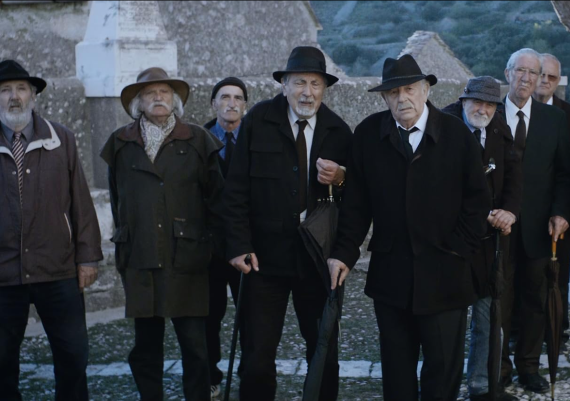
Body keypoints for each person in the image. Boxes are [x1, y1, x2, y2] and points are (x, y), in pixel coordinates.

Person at [327, 54, 490, 400]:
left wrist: (457, 249)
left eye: (410, 89)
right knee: (397, 372)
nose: (402, 98)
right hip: (392, 277)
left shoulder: (457, 134)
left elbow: (477, 202)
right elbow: (356, 205)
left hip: (447, 277)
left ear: (426, 89)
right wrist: (343, 253)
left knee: (442, 373)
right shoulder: (368, 134)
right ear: (385, 98)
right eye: (393, 92)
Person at [223, 46, 352, 401]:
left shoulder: (339, 131)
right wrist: (238, 245)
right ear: (284, 85)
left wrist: (341, 177)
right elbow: (235, 189)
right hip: (262, 261)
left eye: (315, 84)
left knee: (324, 352)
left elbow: (357, 200)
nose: (307, 92)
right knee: (256, 357)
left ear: (324, 89)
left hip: (317, 260)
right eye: (299, 83)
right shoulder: (257, 121)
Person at [0, 59, 103, 401]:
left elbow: (80, 200)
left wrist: (87, 256)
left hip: (57, 267)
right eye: (5, 90)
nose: (14, 97)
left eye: (21, 89)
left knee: (73, 356)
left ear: (33, 95)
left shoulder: (62, 139)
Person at [101, 66, 224, 401]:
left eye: (164, 92)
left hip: (188, 256)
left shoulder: (198, 140)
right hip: (140, 255)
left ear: (174, 100)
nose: (158, 97)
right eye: (150, 93)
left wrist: (212, 247)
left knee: (195, 346)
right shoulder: (120, 142)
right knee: (146, 346)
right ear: (138, 103)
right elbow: (117, 199)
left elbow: (217, 200)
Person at [497, 48, 570, 394]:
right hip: (498, 229)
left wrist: (560, 212)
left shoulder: (554, 119)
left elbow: (564, 175)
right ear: (508, 73)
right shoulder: (489, 113)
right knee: (499, 301)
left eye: (534, 72)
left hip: (540, 228)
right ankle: (498, 370)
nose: (527, 78)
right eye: (521, 71)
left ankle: (529, 367)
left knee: (535, 302)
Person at [442, 76, 522, 401]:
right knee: (449, 321)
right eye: (477, 102)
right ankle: (442, 388)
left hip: (491, 242)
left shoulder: (499, 127)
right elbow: (437, 187)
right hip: (452, 242)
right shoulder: (443, 128)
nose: (483, 109)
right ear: (463, 101)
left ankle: (482, 387)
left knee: (488, 316)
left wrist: (510, 212)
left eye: (490, 104)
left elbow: (515, 174)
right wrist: (481, 213)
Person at [533, 52, 570, 329]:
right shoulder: (512, 110)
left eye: (552, 77)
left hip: (560, 207)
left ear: (558, 81)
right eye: (541, 74)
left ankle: (558, 328)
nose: (545, 80)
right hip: (525, 207)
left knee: (559, 271)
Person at [202, 76, 248, 396]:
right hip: (211, 247)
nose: (231, 103)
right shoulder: (199, 141)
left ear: (245, 105)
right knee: (209, 314)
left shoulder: (256, 140)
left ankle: (250, 372)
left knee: (251, 315)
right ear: (214, 103)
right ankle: (210, 375)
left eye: (238, 98)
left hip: (247, 245)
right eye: (225, 97)